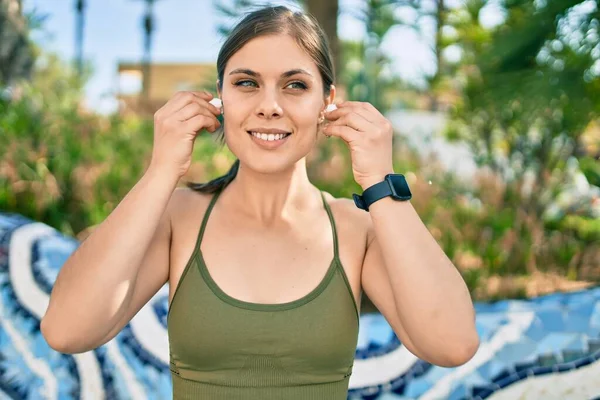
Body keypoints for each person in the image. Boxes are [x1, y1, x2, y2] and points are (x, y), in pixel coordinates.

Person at [41, 5, 479, 399]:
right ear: (220, 98)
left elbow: (452, 343)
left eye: (294, 85)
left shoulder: (356, 228)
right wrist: (160, 173)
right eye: (247, 83)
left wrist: (380, 183)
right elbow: (66, 331)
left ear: (327, 102)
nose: (269, 106)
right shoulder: (180, 217)